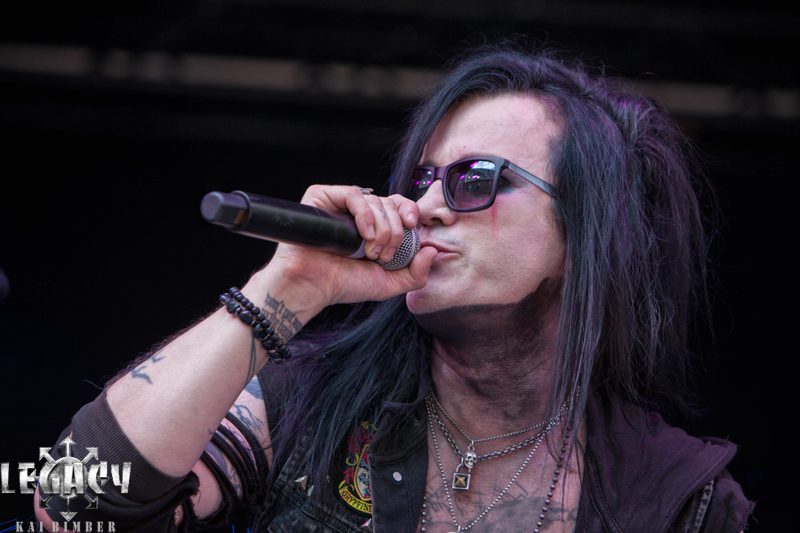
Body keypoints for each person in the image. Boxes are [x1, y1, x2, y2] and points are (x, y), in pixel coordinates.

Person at [35, 45, 755, 532]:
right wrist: (290, 286)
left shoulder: (676, 497)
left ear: (582, 232)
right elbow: (73, 505)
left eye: (475, 179)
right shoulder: (307, 406)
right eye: (424, 178)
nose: (428, 204)